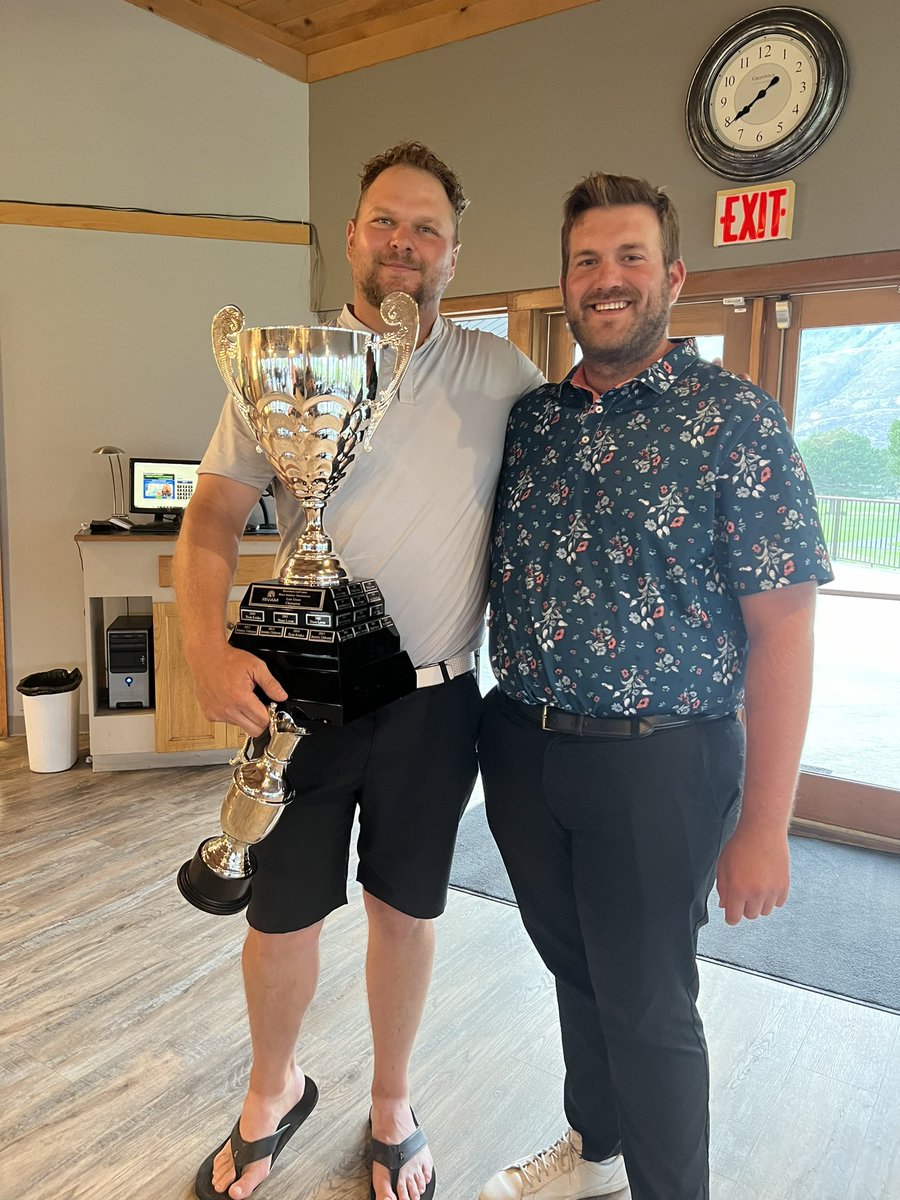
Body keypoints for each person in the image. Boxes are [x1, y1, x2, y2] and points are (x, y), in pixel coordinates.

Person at [174, 142, 543, 1200]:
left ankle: (392, 1097)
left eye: (427, 229)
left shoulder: (499, 371)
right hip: (298, 696)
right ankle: (273, 1089)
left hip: (435, 700)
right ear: (351, 235)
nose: (404, 244)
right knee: (280, 909)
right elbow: (210, 517)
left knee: (404, 910)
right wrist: (206, 643)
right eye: (386, 221)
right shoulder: (285, 362)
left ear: (454, 254)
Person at [477, 172, 833, 1200]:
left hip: (661, 759)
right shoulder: (534, 420)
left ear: (674, 276)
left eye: (631, 257)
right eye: (588, 260)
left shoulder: (737, 421)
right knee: (578, 974)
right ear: (566, 284)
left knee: (648, 1005)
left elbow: (787, 628)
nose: (608, 279)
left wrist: (767, 825)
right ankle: (595, 1153)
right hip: (523, 745)